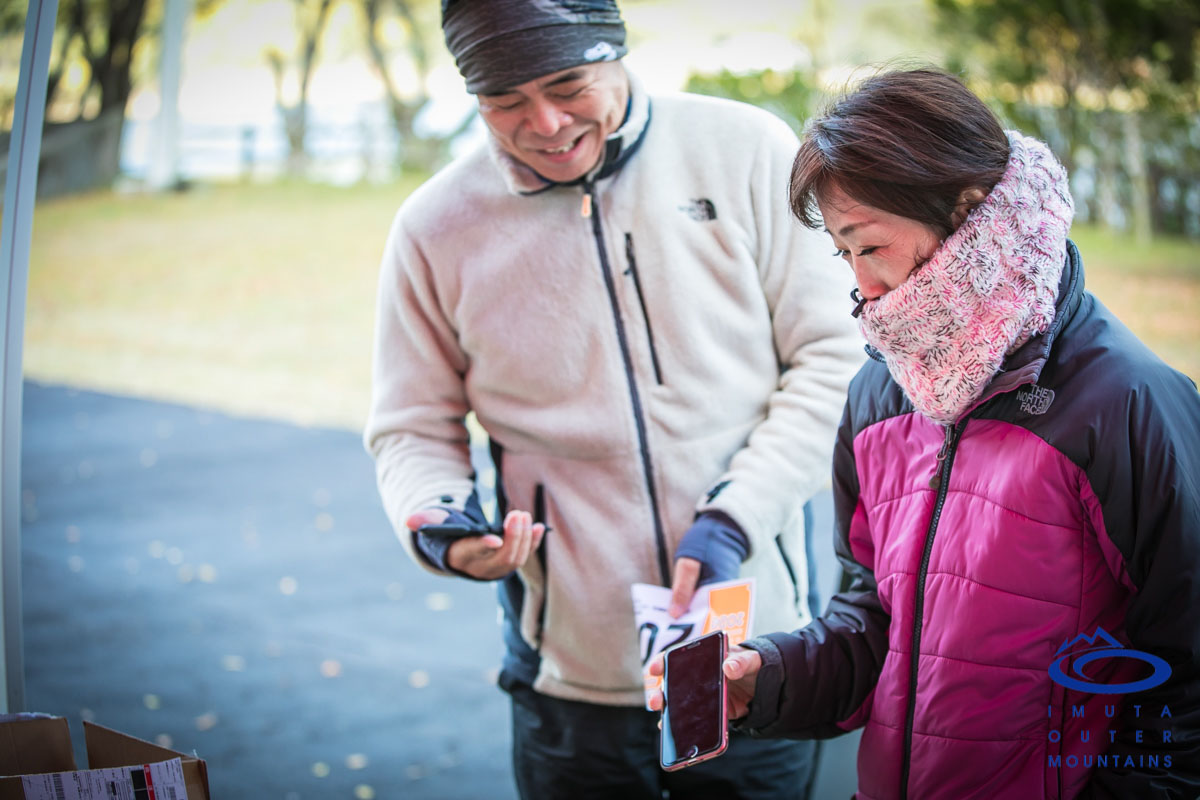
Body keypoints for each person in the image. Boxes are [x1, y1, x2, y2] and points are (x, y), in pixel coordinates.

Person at [651, 67, 1200, 799]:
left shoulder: (1130, 404)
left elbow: (1185, 687)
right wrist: (768, 677)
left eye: (870, 246)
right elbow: (875, 625)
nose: (862, 288)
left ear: (969, 211)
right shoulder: (879, 393)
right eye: (842, 253)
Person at [362, 1, 864, 797]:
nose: (545, 123)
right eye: (505, 101)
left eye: (569, 85)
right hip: (569, 673)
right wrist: (443, 526)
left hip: (751, 649)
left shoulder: (747, 150)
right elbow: (411, 425)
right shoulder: (433, 227)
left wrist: (735, 516)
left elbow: (836, 357)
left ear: (617, 55)